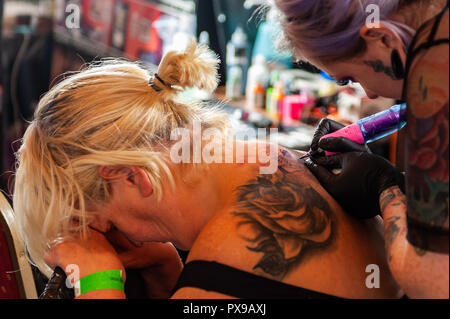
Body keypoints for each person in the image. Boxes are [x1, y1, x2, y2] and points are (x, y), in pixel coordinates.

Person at [13, 41, 403, 299]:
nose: (117, 241)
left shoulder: (224, 277)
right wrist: (169, 273)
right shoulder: (277, 158)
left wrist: (101, 285)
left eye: (108, 226)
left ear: (133, 176)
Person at [271, 0, 449, 298]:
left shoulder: (435, 80)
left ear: (382, 38)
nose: (369, 94)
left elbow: (431, 282)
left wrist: (386, 188)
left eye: (349, 78)